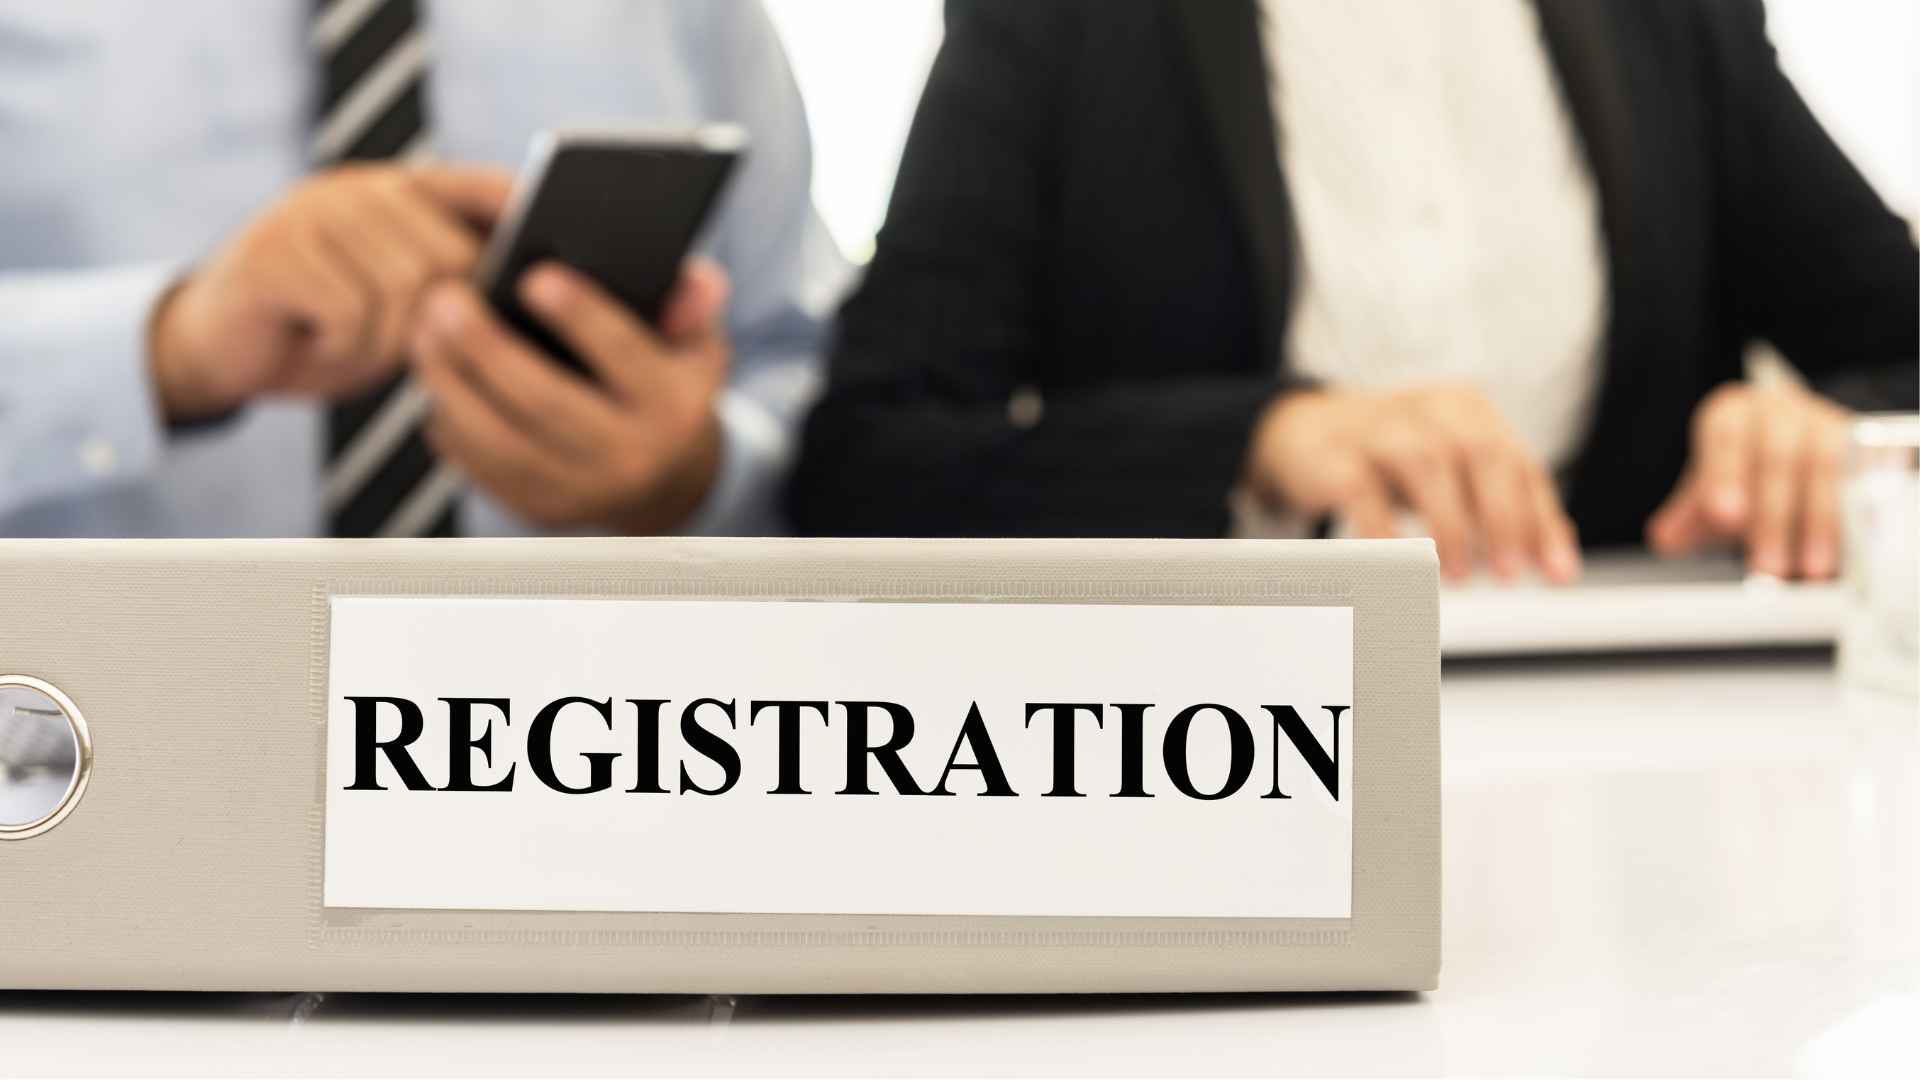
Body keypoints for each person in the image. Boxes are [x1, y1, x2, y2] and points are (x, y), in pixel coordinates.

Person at [790, 0, 1918, 582]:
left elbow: (1900, 352)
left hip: (1654, 745)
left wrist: (1838, 441)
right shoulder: (1062, 24)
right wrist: (1250, 439)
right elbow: (868, 460)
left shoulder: (1663, 19)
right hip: (1225, 752)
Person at [0, 0, 846, 538]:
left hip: (571, 743)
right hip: (86, 735)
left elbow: (815, 365)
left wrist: (695, 476)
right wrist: (162, 348)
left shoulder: (688, 17)